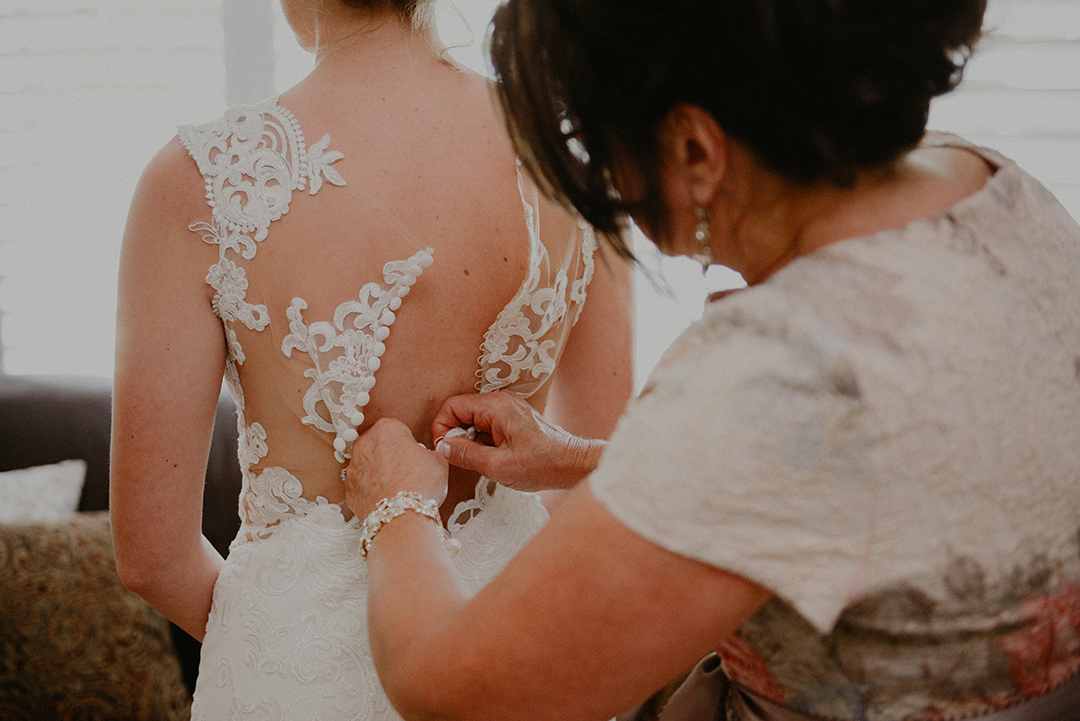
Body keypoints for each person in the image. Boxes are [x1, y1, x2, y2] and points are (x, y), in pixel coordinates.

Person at [341, 0, 1080, 719]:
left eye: (598, 140)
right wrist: (582, 460)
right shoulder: (992, 187)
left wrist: (396, 505)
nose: (605, 182)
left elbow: (451, 688)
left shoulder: (779, 371)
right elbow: (877, 479)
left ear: (694, 148)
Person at [109, 0, 633, 718]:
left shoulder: (199, 181)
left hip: (292, 685)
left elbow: (151, 555)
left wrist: (292, 645)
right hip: (515, 659)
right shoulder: (571, 162)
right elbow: (601, 488)